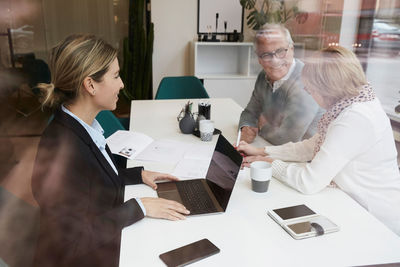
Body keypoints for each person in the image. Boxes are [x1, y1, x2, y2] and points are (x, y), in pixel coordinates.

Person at [31, 34, 190, 267]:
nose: (122, 84)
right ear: (90, 84)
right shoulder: (62, 151)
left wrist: (138, 174)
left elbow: (96, 170)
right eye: (115, 76)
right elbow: (71, 242)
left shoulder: (80, 126)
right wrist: (139, 207)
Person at [238, 46, 400, 235]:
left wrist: (270, 165)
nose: (309, 94)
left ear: (327, 88)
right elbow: (312, 146)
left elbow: (309, 181)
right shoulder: (351, 104)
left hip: (376, 221)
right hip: (352, 204)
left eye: (310, 89)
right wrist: (262, 151)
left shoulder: (355, 118)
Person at [238, 23, 323, 145]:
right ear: (259, 58)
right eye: (266, 55)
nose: (275, 60)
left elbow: (287, 137)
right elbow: (250, 112)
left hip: (304, 159)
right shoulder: (264, 76)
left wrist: (261, 127)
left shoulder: (307, 81)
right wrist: (246, 127)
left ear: (292, 48)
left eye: (280, 51)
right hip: (271, 149)